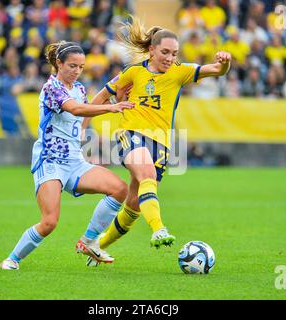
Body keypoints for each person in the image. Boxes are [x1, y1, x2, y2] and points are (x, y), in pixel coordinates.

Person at [86, 16, 231, 265]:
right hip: (130, 133)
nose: (170, 58)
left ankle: (96, 247)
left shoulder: (179, 72)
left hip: (161, 144)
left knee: (134, 205)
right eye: (165, 52)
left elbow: (216, 70)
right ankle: (159, 228)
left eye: (174, 53)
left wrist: (225, 62)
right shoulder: (133, 72)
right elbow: (100, 97)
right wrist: (83, 126)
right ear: (152, 50)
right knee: (147, 175)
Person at [0, 41, 134, 270]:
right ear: (58, 64)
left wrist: (104, 107)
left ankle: (89, 241)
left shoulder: (79, 88)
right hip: (50, 161)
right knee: (49, 222)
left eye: (81, 67)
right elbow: (76, 109)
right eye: (72, 66)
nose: (77, 71)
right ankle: (12, 259)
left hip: (75, 161)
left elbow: (82, 114)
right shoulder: (52, 88)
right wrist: (112, 107)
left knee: (120, 188)